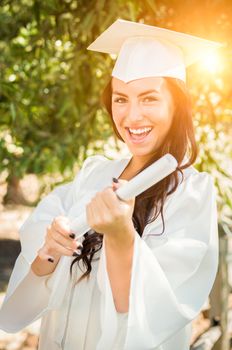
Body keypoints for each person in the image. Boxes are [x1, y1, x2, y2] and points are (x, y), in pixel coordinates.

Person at [0, 19, 220, 350]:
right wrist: (50, 250)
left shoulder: (190, 193)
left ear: (177, 106)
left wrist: (120, 235)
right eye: (121, 99)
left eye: (149, 99)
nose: (131, 117)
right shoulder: (92, 175)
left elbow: (143, 317)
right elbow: (27, 300)